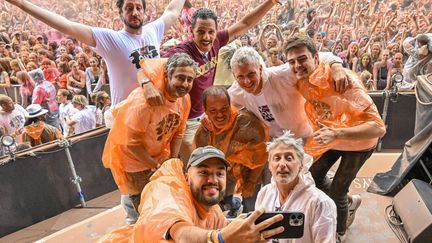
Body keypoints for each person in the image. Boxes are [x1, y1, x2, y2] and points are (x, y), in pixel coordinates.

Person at [143, 1, 280, 161]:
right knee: (198, 166)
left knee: (223, 160)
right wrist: (146, 84)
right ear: (191, 32)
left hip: (208, 115)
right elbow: (148, 68)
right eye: (201, 32)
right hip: (187, 122)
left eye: (211, 32)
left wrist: (271, 2)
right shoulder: (180, 53)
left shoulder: (217, 41)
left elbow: (244, 23)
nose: (206, 37)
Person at [284, 35, 386, 242]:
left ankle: (339, 233)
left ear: (315, 57)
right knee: (312, 175)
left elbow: (378, 127)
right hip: (332, 136)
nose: (297, 66)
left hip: (358, 142)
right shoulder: (301, 80)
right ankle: (348, 202)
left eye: (302, 59)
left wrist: (338, 133)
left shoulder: (346, 81)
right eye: (292, 61)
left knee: (338, 188)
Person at [5, 0, 189, 106]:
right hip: (126, 118)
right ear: (120, 13)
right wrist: (22, 4)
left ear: (144, 12)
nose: (135, 12)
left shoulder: (153, 31)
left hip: (153, 110)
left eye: (138, 8)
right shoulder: (111, 39)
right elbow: (67, 26)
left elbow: (172, 11)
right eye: (129, 8)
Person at [99, 146, 284, 242]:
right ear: (187, 177)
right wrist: (220, 238)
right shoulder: (168, 191)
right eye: (203, 172)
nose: (212, 179)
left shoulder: (213, 211)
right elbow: (181, 234)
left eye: (219, 173)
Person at [102, 53, 196, 218]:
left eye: (190, 79)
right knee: (147, 212)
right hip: (134, 162)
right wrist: (156, 165)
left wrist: (171, 162)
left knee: (166, 205)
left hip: (158, 156)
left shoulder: (184, 99)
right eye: (180, 78)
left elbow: (178, 133)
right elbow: (130, 144)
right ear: (167, 75)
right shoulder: (144, 103)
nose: (185, 84)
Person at [228, 46, 348, 139]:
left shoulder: (282, 75)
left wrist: (336, 67)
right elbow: (218, 102)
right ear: (234, 75)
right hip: (274, 142)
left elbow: (321, 56)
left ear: (260, 69)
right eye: (240, 77)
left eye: (251, 74)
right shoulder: (237, 90)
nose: (247, 81)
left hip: (303, 138)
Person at [194, 86, 269, 216]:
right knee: (218, 207)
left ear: (230, 104)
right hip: (224, 173)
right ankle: (232, 204)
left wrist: (251, 183)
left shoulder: (248, 124)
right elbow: (202, 164)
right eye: (213, 110)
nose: (219, 115)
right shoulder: (204, 133)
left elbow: (260, 158)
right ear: (205, 111)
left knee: (252, 210)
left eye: (224, 109)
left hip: (250, 171)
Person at [255, 131, 337, 243]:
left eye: (289, 158)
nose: (282, 164)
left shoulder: (320, 203)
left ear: (301, 165)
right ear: (269, 165)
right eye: (277, 158)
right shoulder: (264, 194)